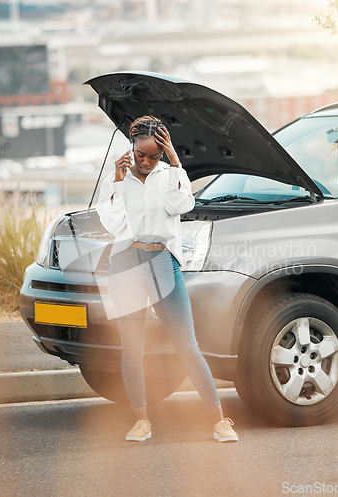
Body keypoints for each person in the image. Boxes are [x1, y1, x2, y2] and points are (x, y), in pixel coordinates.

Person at [96, 115, 238, 443]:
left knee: (187, 345)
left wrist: (174, 162)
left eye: (153, 155)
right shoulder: (119, 178)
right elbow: (113, 224)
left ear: (162, 151)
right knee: (132, 348)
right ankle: (141, 421)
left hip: (163, 260)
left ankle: (219, 421)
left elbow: (183, 204)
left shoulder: (168, 174)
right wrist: (118, 182)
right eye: (141, 154)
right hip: (127, 261)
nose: (146, 162)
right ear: (131, 147)